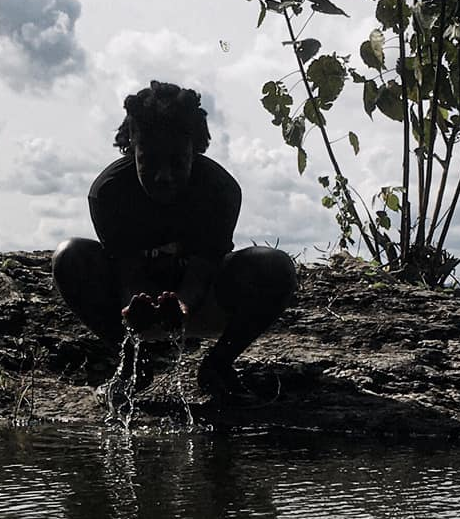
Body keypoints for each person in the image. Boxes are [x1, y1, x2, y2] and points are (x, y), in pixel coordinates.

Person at [52, 80, 298, 398]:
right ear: (132, 150)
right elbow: (126, 268)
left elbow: (205, 266)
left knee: (275, 266)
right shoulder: (109, 192)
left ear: (194, 150)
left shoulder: (220, 190)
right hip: (135, 309)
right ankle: (132, 363)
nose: (164, 175)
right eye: (149, 162)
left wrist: (182, 303)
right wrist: (133, 302)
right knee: (69, 256)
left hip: (204, 302)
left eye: (176, 161)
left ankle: (218, 365)